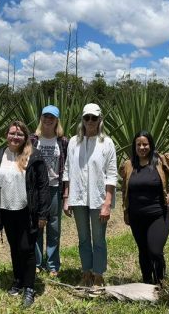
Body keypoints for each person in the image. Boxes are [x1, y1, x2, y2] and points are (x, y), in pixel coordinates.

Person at [0, 121, 50, 308]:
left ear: (25, 137)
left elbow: (43, 187)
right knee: (14, 247)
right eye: (12, 133)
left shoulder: (34, 157)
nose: (15, 137)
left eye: (19, 134)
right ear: (6, 135)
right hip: (7, 210)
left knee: (27, 249)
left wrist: (43, 214)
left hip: (27, 211)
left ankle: (29, 288)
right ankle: (18, 280)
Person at [62, 103, 118, 287]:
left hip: (98, 199)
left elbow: (111, 174)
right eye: (87, 118)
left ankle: (99, 274)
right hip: (78, 198)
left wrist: (107, 203)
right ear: (82, 119)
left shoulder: (107, 143)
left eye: (94, 118)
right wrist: (66, 197)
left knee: (99, 239)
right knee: (83, 238)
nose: (90, 121)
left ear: (100, 119)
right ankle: (86, 273)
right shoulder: (73, 142)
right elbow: (68, 170)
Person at [119, 131, 169, 285]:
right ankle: (147, 282)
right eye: (139, 144)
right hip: (136, 216)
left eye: (145, 144)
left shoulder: (161, 161)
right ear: (134, 146)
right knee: (143, 250)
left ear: (151, 145)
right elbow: (124, 190)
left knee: (155, 251)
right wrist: (126, 210)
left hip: (158, 213)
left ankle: (161, 281)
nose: (142, 147)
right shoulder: (129, 165)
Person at [30, 105, 69, 277]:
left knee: (54, 227)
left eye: (52, 117)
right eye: (45, 116)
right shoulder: (33, 140)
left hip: (54, 188)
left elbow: (67, 166)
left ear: (56, 120)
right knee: (37, 225)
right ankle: (37, 262)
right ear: (41, 118)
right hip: (37, 189)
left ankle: (53, 264)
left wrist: (66, 192)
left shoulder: (62, 141)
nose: (48, 119)